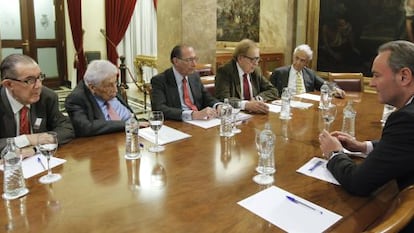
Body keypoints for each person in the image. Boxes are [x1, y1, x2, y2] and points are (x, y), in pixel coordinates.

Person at [319, 40, 414, 233]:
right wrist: (364, 147)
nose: (371, 83)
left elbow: (358, 183)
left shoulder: (406, 119)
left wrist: (335, 153)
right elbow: (403, 147)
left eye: (377, 75)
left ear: (404, 76)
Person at [0, 54, 74, 156]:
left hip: (39, 161)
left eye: (40, 77)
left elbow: (67, 128)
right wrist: (27, 139)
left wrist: (44, 141)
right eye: (30, 80)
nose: (39, 85)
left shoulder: (47, 97)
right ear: (9, 84)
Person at [65, 60, 148, 137]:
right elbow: (86, 128)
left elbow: (133, 118)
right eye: (109, 85)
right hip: (106, 143)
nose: (115, 89)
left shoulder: (110, 84)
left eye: (115, 82)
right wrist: (126, 124)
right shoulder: (76, 99)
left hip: (134, 135)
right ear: (93, 87)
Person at [150, 45, 220, 121]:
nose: (194, 64)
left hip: (199, 121)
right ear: (176, 61)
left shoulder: (194, 76)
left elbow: (206, 97)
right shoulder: (160, 80)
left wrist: (217, 105)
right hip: (177, 123)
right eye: (189, 60)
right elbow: (159, 108)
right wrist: (192, 114)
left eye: (195, 59)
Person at [215, 39, 277, 114]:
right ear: (240, 58)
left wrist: (258, 99)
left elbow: (273, 90)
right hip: (235, 116)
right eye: (253, 60)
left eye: (257, 59)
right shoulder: (225, 71)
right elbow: (224, 99)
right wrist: (246, 105)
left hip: (254, 115)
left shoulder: (255, 71)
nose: (256, 63)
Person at [270, 44, 345, 97]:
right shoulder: (279, 72)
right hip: (286, 105)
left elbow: (324, 84)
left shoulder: (310, 74)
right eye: (296, 58)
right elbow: (269, 91)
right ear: (293, 56)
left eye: (302, 60)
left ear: (307, 63)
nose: (298, 62)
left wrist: (335, 89)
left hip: (305, 106)